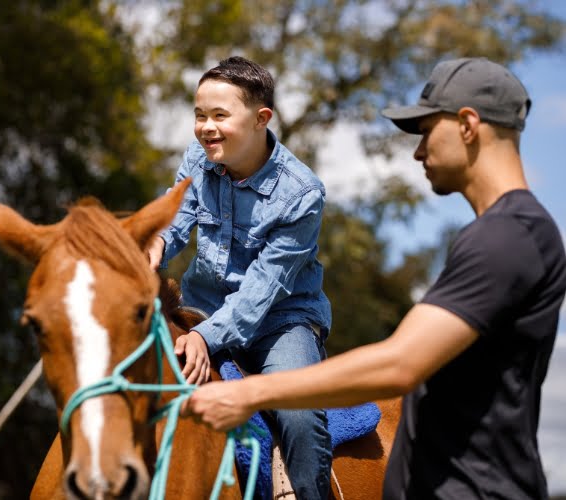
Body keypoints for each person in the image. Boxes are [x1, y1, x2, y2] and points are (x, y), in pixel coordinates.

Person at [183, 57, 566, 499]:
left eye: (425, 132)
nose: (418, 152)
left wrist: (249, 394)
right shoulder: (496, 234)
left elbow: (399, 363)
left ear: (467, 124)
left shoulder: (507, 238)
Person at [148, 56, 333, 499]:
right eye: (199, 115)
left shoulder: (302, 194)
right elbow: (175, 221)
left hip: (279, 321)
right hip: (200, 304)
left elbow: (260, 294)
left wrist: (204, 338)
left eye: (219, 115)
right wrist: (152, 248)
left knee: (298, 416)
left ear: (260, 119)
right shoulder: (199, 156)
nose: (206, 127)